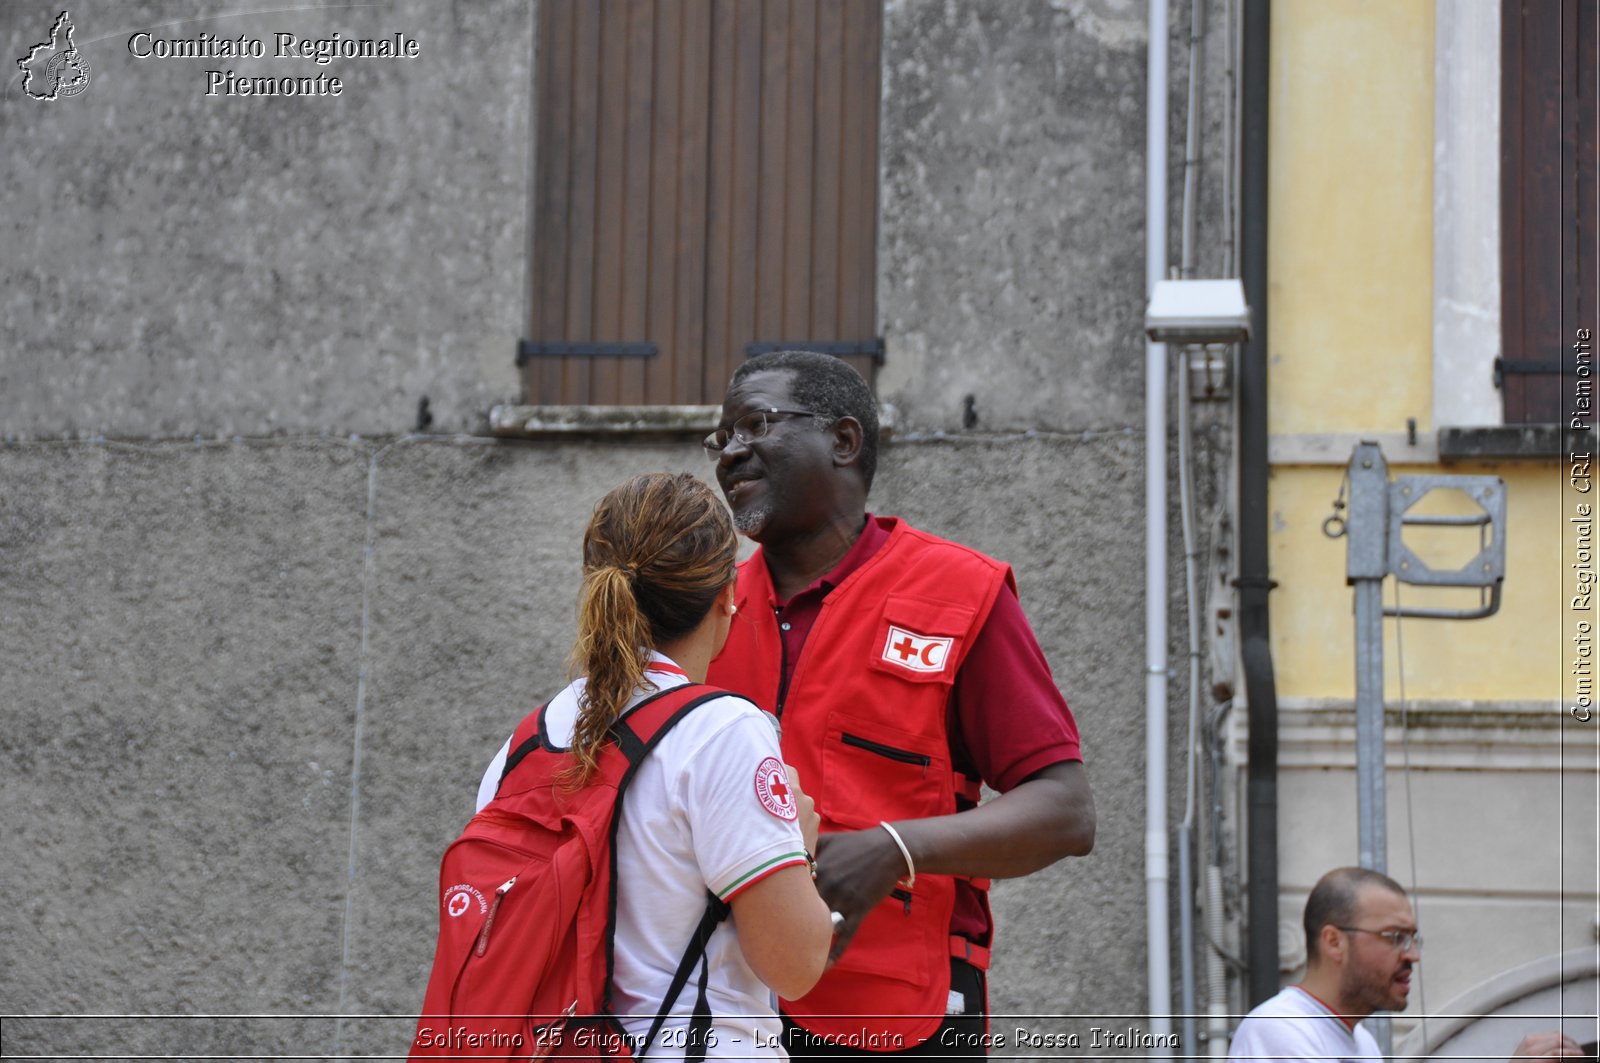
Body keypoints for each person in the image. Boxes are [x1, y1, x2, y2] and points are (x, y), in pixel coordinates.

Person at [702, 351, 1096, 1057]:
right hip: (728, 1012)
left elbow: (1065, 810)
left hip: (900, 1016)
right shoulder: (707, 613)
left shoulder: (958, 592)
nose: (731, 452)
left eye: (755, 424)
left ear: (844, 441)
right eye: (720, 437)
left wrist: (896, 848)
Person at [475, 472, 834, 1059]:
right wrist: (801, 849)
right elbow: (793, 966)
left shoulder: (524, 744)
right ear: (727, 596)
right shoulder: (722, 732)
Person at [1228, 867, 1585, 1063]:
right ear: (1334, 941)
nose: (1412, 955)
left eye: (1413, 939)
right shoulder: (1281, 1029)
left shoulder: (1363, 1044)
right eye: (1394, 937)